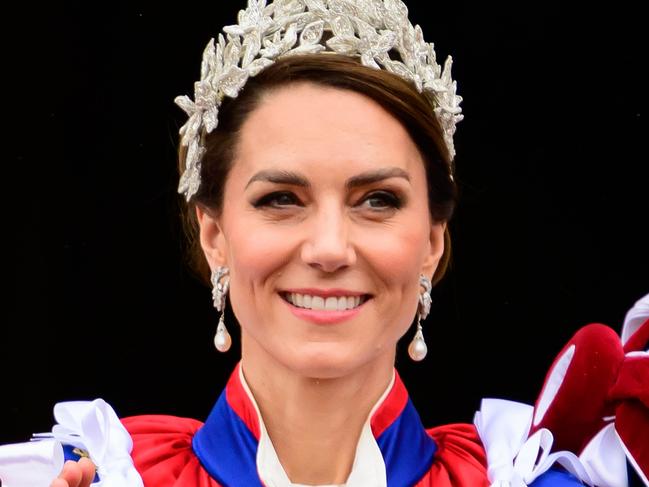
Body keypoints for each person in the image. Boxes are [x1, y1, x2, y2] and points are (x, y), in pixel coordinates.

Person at [1, 1, 646, 486]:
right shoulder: (95, 475)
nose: (330, 248)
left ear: (431, 243)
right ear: (214, 234)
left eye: (377, 201)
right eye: (281, 199)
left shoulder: (529, 479)